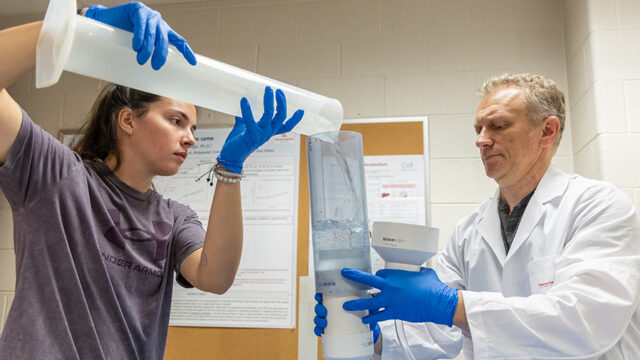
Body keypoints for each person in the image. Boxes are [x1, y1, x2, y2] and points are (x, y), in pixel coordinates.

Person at [0, 2, 303, 359]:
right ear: (127, 121)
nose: (190, 137)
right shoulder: (57, 174)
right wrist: (80, 27)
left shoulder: (174, 218)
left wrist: (231, 168)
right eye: (176, 121)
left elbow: (215, 278)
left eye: (192, 127)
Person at [314, 73, 640, 359]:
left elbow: (587, 320)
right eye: (479, 128)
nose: (481, 139)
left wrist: (450, 304)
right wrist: (375, 337)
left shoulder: (596, 206)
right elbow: (439, 333)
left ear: (547, 131)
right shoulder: (471, 230)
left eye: (498, 126)